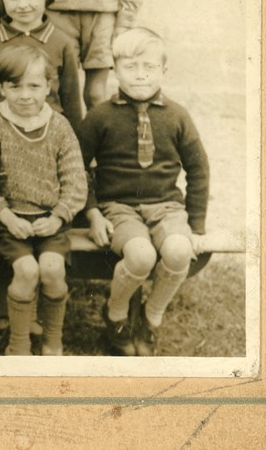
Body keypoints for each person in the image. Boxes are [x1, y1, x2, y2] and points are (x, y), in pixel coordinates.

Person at [79, 28, 209, 357]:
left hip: (166, 207)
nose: (140, 76)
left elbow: (198, 169)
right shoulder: (99, 117)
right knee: (140, 256)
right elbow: (76, 168)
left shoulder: (177, 116)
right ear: (115, 70)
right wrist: (92, 211)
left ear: (163, 71)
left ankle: (152, 317)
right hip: (118, 207)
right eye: (130, 67)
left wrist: (195, 226)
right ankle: (117, 316)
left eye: (148, 67)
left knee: (179, 250)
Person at [0, 46, 87, 356]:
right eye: (15, 86)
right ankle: (18, 345)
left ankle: (52, 340)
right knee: (26, 271)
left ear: (49, 86)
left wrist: (59, 217)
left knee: (50, 269)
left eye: (34, 86)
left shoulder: (59, 126)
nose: (25, 95)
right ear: (2, 87)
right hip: (8, 221)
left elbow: (75, 178)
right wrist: (7, 217)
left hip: (50, 220)